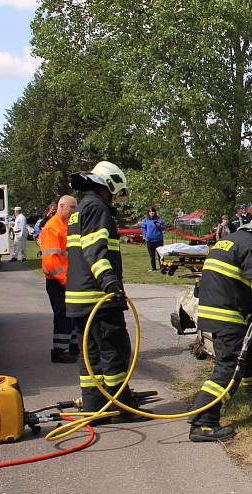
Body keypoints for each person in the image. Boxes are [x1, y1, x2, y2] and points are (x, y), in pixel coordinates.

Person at [189, 215, 252, 442]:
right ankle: (203, 423)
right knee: (229, 370)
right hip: (228, 317)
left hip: (216, 312)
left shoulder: (230, 240)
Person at [66, 161, 142, 422]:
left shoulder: (80, 208)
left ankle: (94, 409)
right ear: (108, 186)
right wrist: (111, 283)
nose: (115, 199)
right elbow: (95, 252)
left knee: (90, 357)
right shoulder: (98, 208)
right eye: (115, 193)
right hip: (98, 296)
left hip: (78, 298)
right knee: (114, 351)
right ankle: (124, 408)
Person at [40, 195, 79, 364]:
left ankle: (74, 347)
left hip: (67, 280)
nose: (74, 211)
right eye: (71, 208)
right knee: (63, 315)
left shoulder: (67, 226)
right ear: (61, 206)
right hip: (58, 281)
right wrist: (65, 280)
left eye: (75, 208)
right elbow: (50, 262)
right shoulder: (52, 228)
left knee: (73, 314)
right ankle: (59, 351)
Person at [141, 207, 165, 272]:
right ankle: (153, 268)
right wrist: (146, 236)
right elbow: (143, 228)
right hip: (149, 240)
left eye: (153, 211)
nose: (152, 213)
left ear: (155, 212)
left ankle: (162, 267)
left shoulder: (159, 219)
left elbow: (163, 228)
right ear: (148, 213)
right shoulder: (146, 220)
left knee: (160, 254)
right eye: (150, 212)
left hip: (158, 240)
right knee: (152, 255)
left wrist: (159, 225)